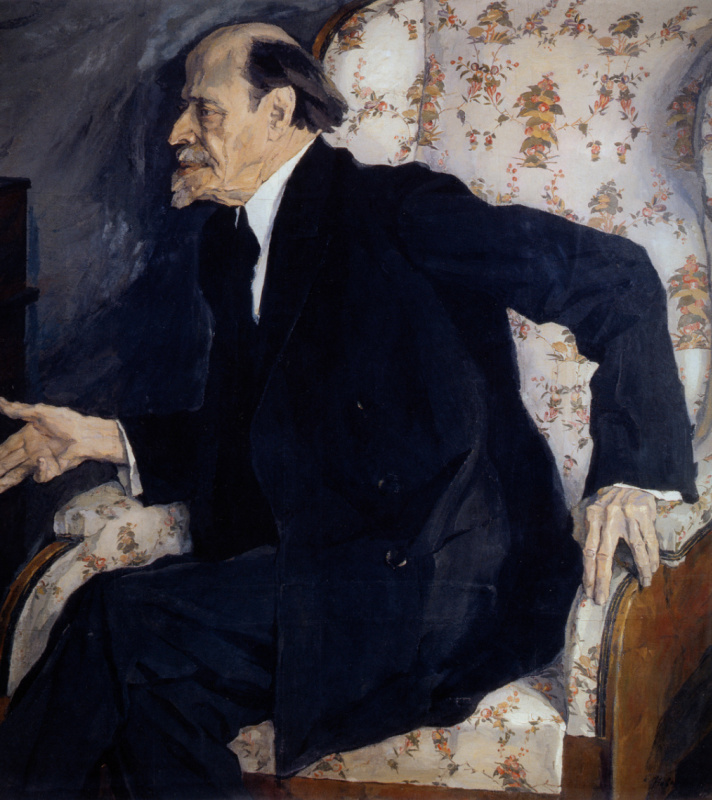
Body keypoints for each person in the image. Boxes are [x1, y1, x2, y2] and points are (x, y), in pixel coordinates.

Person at [0, 22, 697, 799]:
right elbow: (249, 440)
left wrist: (632, 474)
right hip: (321, 579)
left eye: (204, 110)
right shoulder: (228, 246)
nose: (176, 133)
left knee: (113, 615)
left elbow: (617, 278)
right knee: (155, 700)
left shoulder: (399, 209)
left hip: (442, 583)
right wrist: (102, 438)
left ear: (277, 112)